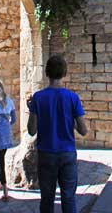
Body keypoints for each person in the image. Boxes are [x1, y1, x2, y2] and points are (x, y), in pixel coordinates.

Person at [27, 55, 88, 213]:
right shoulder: (73, 98)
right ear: (64, 73)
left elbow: (31, 130)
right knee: (68, 198)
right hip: (67, 153)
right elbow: (83, 130)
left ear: (47, 72)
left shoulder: (38, 98)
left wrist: (33, 109)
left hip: (46, 153)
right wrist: (69, 120)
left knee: (47, 199)